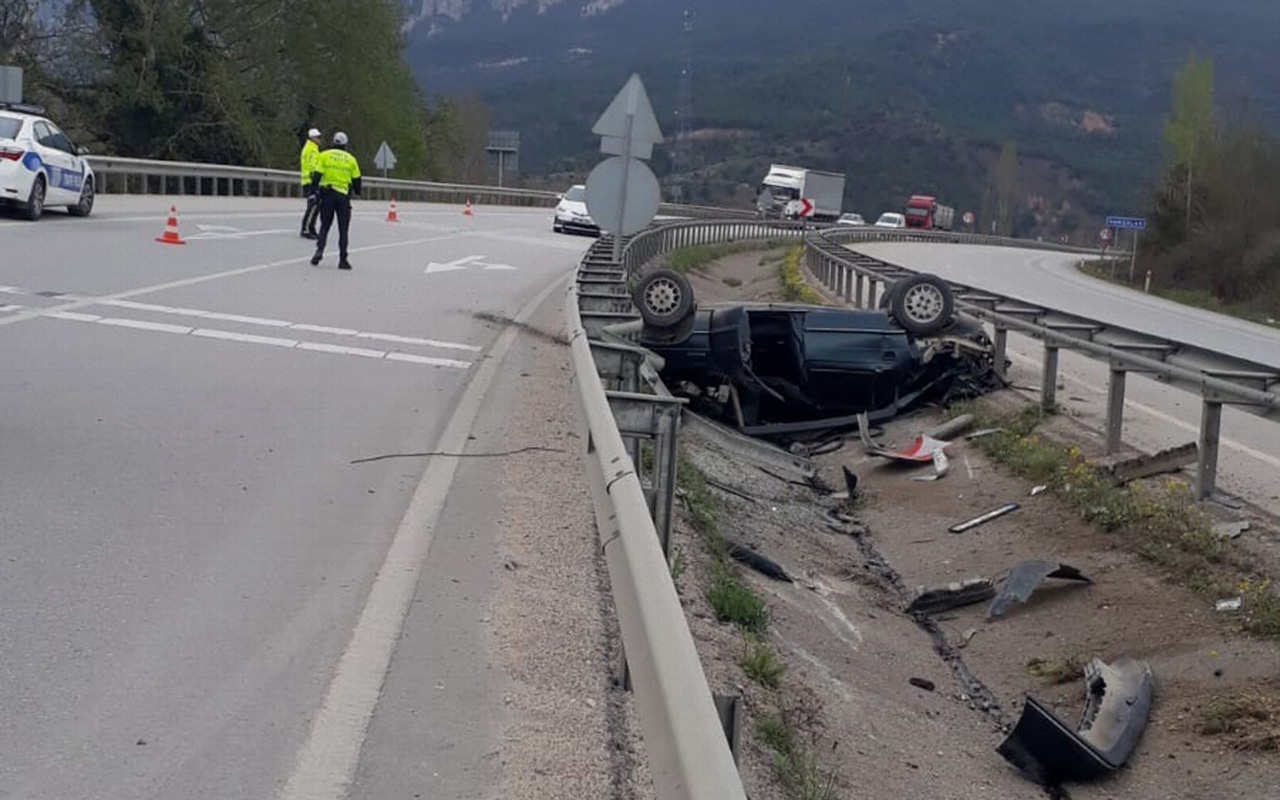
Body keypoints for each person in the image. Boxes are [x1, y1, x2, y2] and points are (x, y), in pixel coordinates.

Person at [309, 131, 362, 270]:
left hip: (327, 195)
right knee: (343, 229)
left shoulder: (324, 155)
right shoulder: (351, 159)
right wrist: (357, 192)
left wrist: (313, 191)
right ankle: (343, 259)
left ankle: (319, 252)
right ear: (345, 145)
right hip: (343, 197)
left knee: (325, 226)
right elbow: (357, 180)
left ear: (334, 142)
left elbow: (317, 175)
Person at [299, 128, 323, 239]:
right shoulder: (311, 150)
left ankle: (311, 228)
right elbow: (313, 167)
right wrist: (316, 182)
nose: (320, 139)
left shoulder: (313, 149)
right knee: (312, 206)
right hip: (310, 182)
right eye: (318, 137)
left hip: (311, 181)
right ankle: (306, 229)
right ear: (312, 138)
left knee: (316, 206)